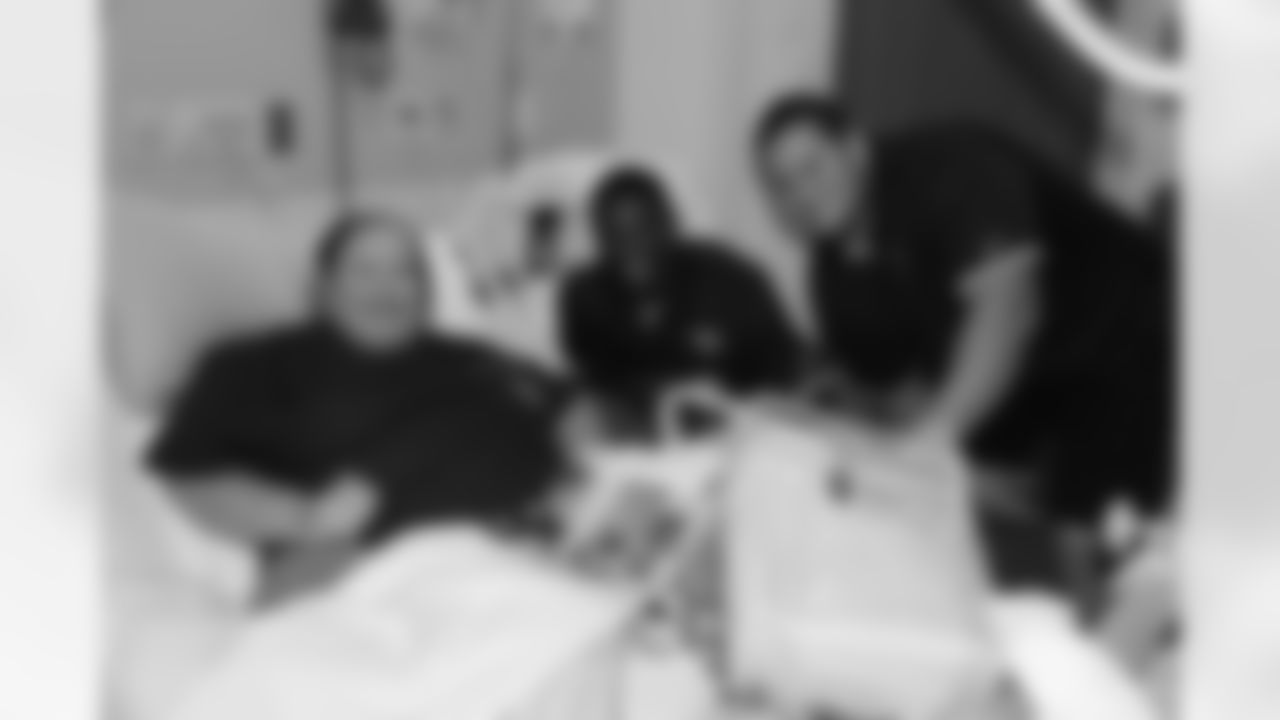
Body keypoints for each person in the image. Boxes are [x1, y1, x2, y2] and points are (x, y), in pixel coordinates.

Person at [753, 93, 1175, 605]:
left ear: (856, 149)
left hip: (1131, 335)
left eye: (811, 167)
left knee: (1091, 540)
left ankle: (1117, 631)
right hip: (1033, 374)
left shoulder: (951, 170)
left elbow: (1009, 309)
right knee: (970, 510)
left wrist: (935, 438)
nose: (800, 192)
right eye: (781, 184)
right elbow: (901, 400)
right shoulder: (832, 281)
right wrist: (827, 435)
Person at [148, 209, 571, 604]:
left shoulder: (470, 357)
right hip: (371, 571)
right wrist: (306, 519)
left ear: (425, 289)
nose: (387, 287)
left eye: (406, 271)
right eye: (365, 270)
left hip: (537, 549)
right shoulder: (253, 367)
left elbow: (571, 405)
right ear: (324, 285)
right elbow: (190, 471)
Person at [561, 165, 801, 433]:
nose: (631, 243)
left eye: (643, 226)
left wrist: (734, 400)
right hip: (636, 431)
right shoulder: (584, 296)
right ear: (600, 237)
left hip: (737, 423)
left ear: (668, 222)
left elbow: (781, 361)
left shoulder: (727, 278)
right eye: (615, 233)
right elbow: (593, 378)